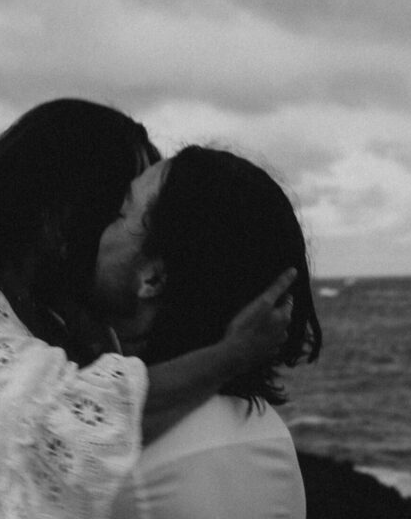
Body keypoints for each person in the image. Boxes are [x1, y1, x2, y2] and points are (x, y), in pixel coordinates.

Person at [0, 100, 297, 519]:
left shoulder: (64, 324)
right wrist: (230, 354)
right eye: (118, 208)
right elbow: (58, 420)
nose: (118, 228)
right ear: (62, 215)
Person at [92, 145, 323, 519]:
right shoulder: (268, 430)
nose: (97, 229)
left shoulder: (114, 462)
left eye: (119, 214)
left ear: (153, 277)